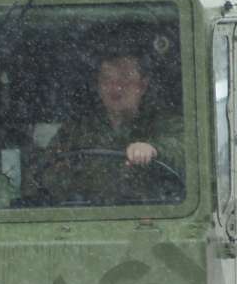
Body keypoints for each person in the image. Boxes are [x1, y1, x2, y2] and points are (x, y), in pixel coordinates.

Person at [23, 52, 184, 205]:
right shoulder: (77, 129)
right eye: (107, 80)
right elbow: (41, 172)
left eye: (125, 79)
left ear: (142, 85)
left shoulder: (162, 121)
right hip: (85, 220)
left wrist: (153, 149)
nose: (115, 87)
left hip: (150, 218)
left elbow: (182, 147)